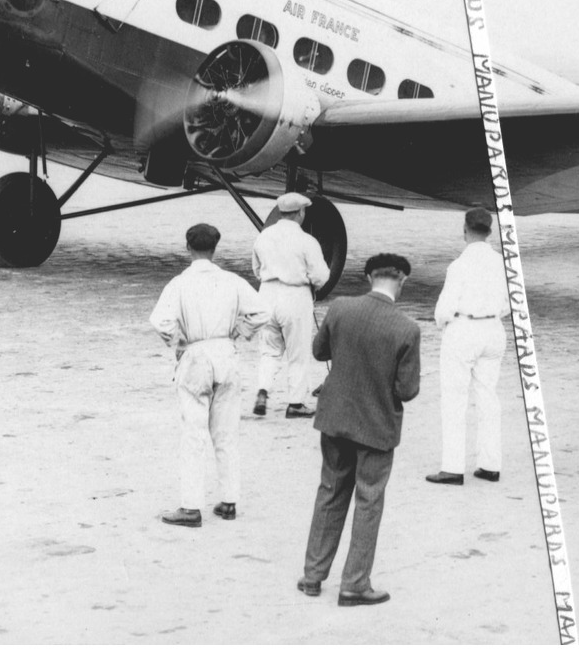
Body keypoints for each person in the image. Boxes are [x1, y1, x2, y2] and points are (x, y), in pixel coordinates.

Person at [298, 254, 422, 606]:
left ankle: (312, 575)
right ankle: (354, 583)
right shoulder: (407, 328)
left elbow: (319, 350)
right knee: (369, 500)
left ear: (369, 277)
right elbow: (407, 390)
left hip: (335, 418)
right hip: (377, 427)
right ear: (403, 281)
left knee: (330, 491)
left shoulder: (340, 308)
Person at [149, 223, 270, 527]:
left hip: (196, 353)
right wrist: (240, 332)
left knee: (194, 433)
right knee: (226, 432)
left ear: (188, 248)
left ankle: (191, 507)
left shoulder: (179, 283)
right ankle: (229, 501)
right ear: (215, 249)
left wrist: (178, 344)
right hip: (226, 353)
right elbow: (262, 312)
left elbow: (161, 321)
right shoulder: (231, 280)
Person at [427, 207, 509, 486]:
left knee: (454, 398)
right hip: (493, 329)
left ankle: (453, 467)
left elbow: (444, 309)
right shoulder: (502, 263)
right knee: (488, 397)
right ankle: (489, 464)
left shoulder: (459, 266)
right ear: (489, 231)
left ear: (465, 230)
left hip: (464, 330)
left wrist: (443, 323)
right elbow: (509, 305)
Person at [252, 193, 331, 418]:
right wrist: (313, 284)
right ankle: (295, 404)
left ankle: (262, 391)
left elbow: (256, 270)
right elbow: (321, 275)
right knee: (298, 353)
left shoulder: (264, 237)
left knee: (269, 351)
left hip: (266, 294)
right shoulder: (307, 241)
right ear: (300, 213)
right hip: (295, 295)